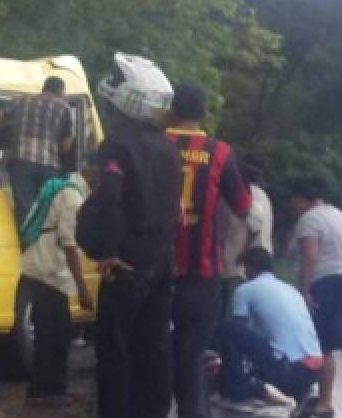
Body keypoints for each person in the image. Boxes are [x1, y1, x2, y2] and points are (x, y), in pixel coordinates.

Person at [79, 52, 182, 418]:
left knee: (116, 355)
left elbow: (110, 196)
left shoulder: (119, 144)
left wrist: (106, 250)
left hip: (127, 264)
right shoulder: (168, 147)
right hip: (162, 262)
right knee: (154, 351)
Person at [165, 83, 251, 418]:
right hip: (201, 272)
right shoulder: (219, 152)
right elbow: (243, 206)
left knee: (153, 353)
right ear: (203, 114)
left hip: (157, 269)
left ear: (171, 110)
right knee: (190, 355)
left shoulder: (157, 144)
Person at [19, 166, 95, 408]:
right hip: (49, 271)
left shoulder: (61, 187)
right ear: (91, 173)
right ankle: (48, 392)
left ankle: (47, 390)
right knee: (55, 335)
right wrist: (83, 289)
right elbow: (70, 247)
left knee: (50, 334)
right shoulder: (73, 197)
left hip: (40, 268)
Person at [215, 247, 323, 410]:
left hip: (288, 371)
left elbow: (238, 331)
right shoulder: (291, 289)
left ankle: (238, 387)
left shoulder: (245, 290)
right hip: (312, 371)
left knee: (228, 328)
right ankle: (299, 393)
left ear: (249, 268)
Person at [0, 76, 74, 227]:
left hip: (21, 162)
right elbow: (66, 146)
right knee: (46, 212)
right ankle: (40, 245)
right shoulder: (64, 107)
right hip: (49, 166)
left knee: (24, 210)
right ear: (61, 91)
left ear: (43, 88)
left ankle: (24, 245)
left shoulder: (22, 100)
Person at [289, 177, 342, 418]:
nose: (293, 204)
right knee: (327, 342)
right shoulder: (336, 214)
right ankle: (323, 399)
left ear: (302, 198)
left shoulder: (308, 219)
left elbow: (310, 256)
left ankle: (322, 403)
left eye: (294, 199)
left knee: (321, 344)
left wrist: (305, 289)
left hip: (324, 283)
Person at [220, 158, 274, 312]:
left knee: (233, 311)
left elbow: (255, 224)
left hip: (241, 267)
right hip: (251, 264)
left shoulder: (248, 194)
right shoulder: (260, 194)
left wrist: (243, 254)